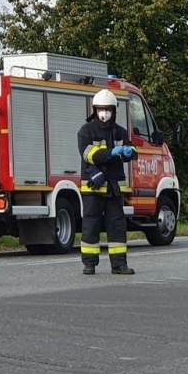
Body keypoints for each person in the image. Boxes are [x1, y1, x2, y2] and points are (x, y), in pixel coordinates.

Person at [78, 88, 137, 275]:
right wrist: (111, 153)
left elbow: (130, 149)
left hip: (113, 188)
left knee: (117, 226)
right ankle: (89, 263)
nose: (104, 113)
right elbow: (88, 154)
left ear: (114, 110)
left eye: (108, 109)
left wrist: (130, 152)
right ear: (95, 110)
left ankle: (119, 264)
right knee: (91, 225)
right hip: (93, 187)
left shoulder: (119, 132)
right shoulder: (86, 131)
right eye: (100, 109)